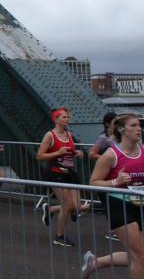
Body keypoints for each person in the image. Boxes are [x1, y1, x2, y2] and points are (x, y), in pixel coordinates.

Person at [82, 114, 144, 278]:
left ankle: (96, 262)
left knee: (139, 255)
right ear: (122, 129)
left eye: (139, 125)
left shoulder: (143, 150)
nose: (139, 129)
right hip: (120, 205)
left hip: (141, 203)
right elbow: (93, 182)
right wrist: (116, 182)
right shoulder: (111, 155)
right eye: (133, 125)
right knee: (139, 256)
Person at [36, 106, 86, 247]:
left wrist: (76, 152)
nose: (67, 119)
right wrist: (57, 153)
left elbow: (68, 151)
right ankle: (59, 236)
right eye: (64, 117)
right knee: (67, 204)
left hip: (69, 172)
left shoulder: (68, 134)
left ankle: (50, 209)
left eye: (68, 117)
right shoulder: (50, 135)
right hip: (55, 172)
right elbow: (40, 156)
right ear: (56, 119)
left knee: (76, 207)